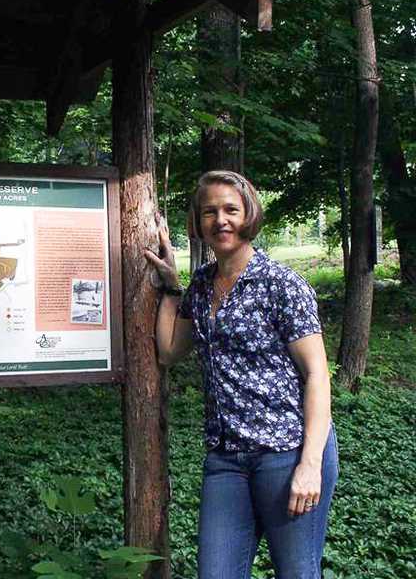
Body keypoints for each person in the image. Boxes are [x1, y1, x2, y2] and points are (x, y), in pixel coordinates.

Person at [145, 170, 338, 579]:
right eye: (209, 211)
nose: (221, 220)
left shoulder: (281, 284)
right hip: (226, 460)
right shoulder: (200, 286)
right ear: (198, 222)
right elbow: (168, 351)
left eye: (231, 209)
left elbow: (317, 375)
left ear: (248, 214)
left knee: (298, 573)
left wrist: (310, 465)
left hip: (286, 454)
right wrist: (171, 287)